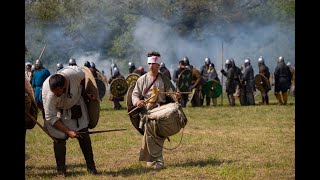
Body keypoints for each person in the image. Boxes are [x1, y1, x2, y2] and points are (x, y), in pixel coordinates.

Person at [131, 51, 185, 169]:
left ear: (158, 65)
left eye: (154, 64)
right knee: (152, 134)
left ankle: (154, 160)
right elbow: (134, 95)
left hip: (162, 110)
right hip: (147, 111)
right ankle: (155, 160)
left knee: (156, 135)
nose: (151, 66)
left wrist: (177, 95)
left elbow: (172, 93)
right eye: (149, 64)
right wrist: (138, 102)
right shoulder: (142, 79)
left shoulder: (164, 79)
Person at [41, 66, 98, 176]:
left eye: (58, 92)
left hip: (77, 105)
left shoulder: (75, 74)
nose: (56, 94)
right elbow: (51, 117)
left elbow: (85, 77)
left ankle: (92, 168)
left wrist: (86, 93)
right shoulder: (48, 94)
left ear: (64, 85)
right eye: (54, 92)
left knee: (84, 138)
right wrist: (68, 131)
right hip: (59, 114)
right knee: (59, 141)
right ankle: (61, 171)